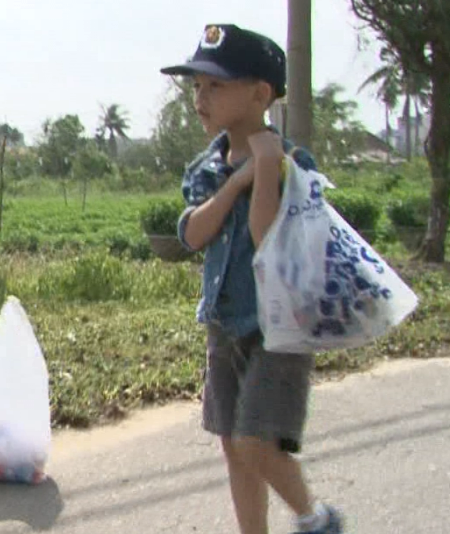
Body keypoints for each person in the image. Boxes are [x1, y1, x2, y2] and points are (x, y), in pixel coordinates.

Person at [160, 24, 344, 534]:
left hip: (277, 328)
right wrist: (236, 180)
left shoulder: (292, 164)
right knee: (233, 446)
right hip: (223, 323)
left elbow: (267, 239)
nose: (200, 97)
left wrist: (263, 169)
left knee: (255, 441)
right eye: (197, 86)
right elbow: (192, 234)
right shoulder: (205, 166)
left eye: (216, 85)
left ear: (260, 94)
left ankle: (317, 519)